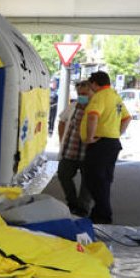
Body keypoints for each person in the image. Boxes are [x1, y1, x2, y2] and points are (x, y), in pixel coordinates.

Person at [80, 71, 131, 224]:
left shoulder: (100, 97)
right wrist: (117, 133)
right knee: (104, 180)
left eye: (91, 85)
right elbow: (127, 118)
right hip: (112, 143)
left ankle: (103, 215)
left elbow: (93, 115)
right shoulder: (115, 96)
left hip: (100, 144)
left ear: (95, 83)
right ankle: (99, 213)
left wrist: (89, 137)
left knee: (93, 178)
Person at [55, 80, 93, 216]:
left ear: (92, 92)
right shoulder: (73, 106)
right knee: (63, 174)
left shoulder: (96, 107)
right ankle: (72, 203)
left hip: (88, 152)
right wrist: (61, 141)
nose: (81, 96)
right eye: (79, 93)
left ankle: (82, 209)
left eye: (84, 93)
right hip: (70, 149)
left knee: (87, 181)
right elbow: (62, 121)